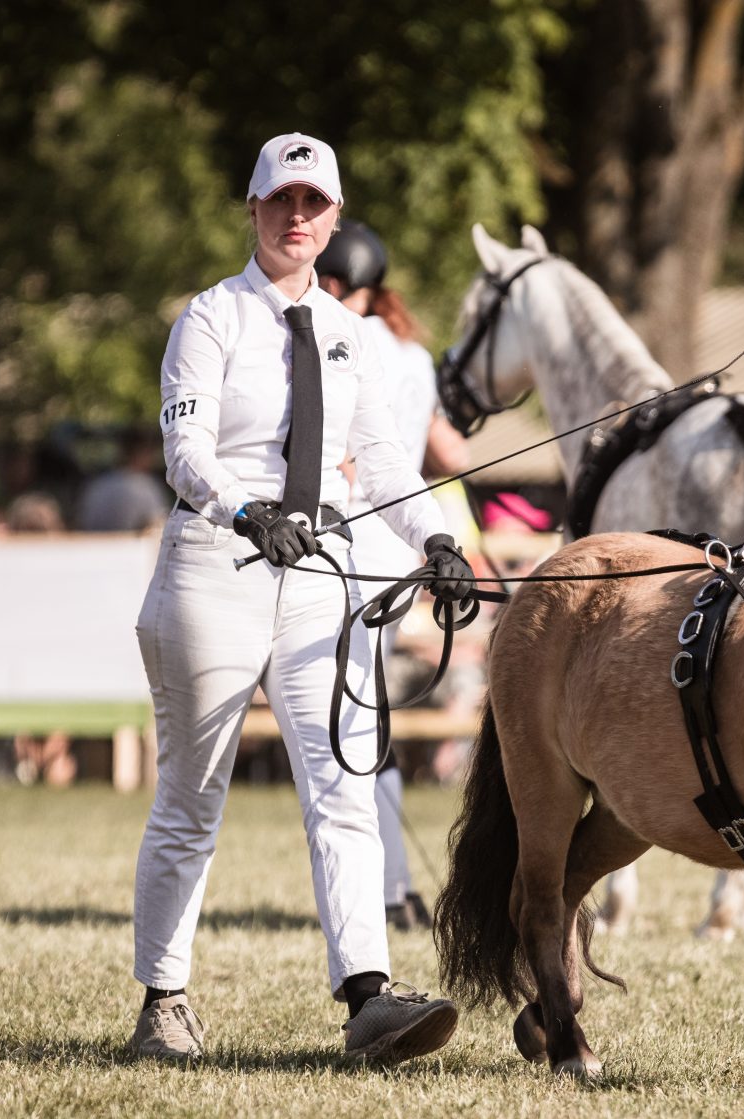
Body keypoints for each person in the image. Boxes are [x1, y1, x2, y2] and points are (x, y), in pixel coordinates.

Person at [129, 133, 474, 1065]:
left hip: (319, 571)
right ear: (253, 209)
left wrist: (436, 537)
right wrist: (247, 511)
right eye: (281, 200)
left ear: (332, 219)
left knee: (345, 786)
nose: (297, 217)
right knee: (192, 797)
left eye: (314, 204)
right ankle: (163, 1002)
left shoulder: (349, 335)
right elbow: (186, 454)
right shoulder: (210, 318)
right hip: (216, 564)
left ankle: (367, 998)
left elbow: (390, 463)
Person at [315, 219, 469, 930]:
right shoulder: (412, 349)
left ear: (337, 282)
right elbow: (449, 454)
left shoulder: (339, 331)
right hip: (404, 545)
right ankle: (396, 885)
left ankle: (384, 889)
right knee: (365, 713)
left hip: (350, 538)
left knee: (350, 719)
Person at [75, 428, 170, 533]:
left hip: (91, 547)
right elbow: (158, 527)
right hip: (130, 547)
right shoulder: (147, 486)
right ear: (142, 453)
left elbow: (80, 523)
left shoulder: (97, 484)